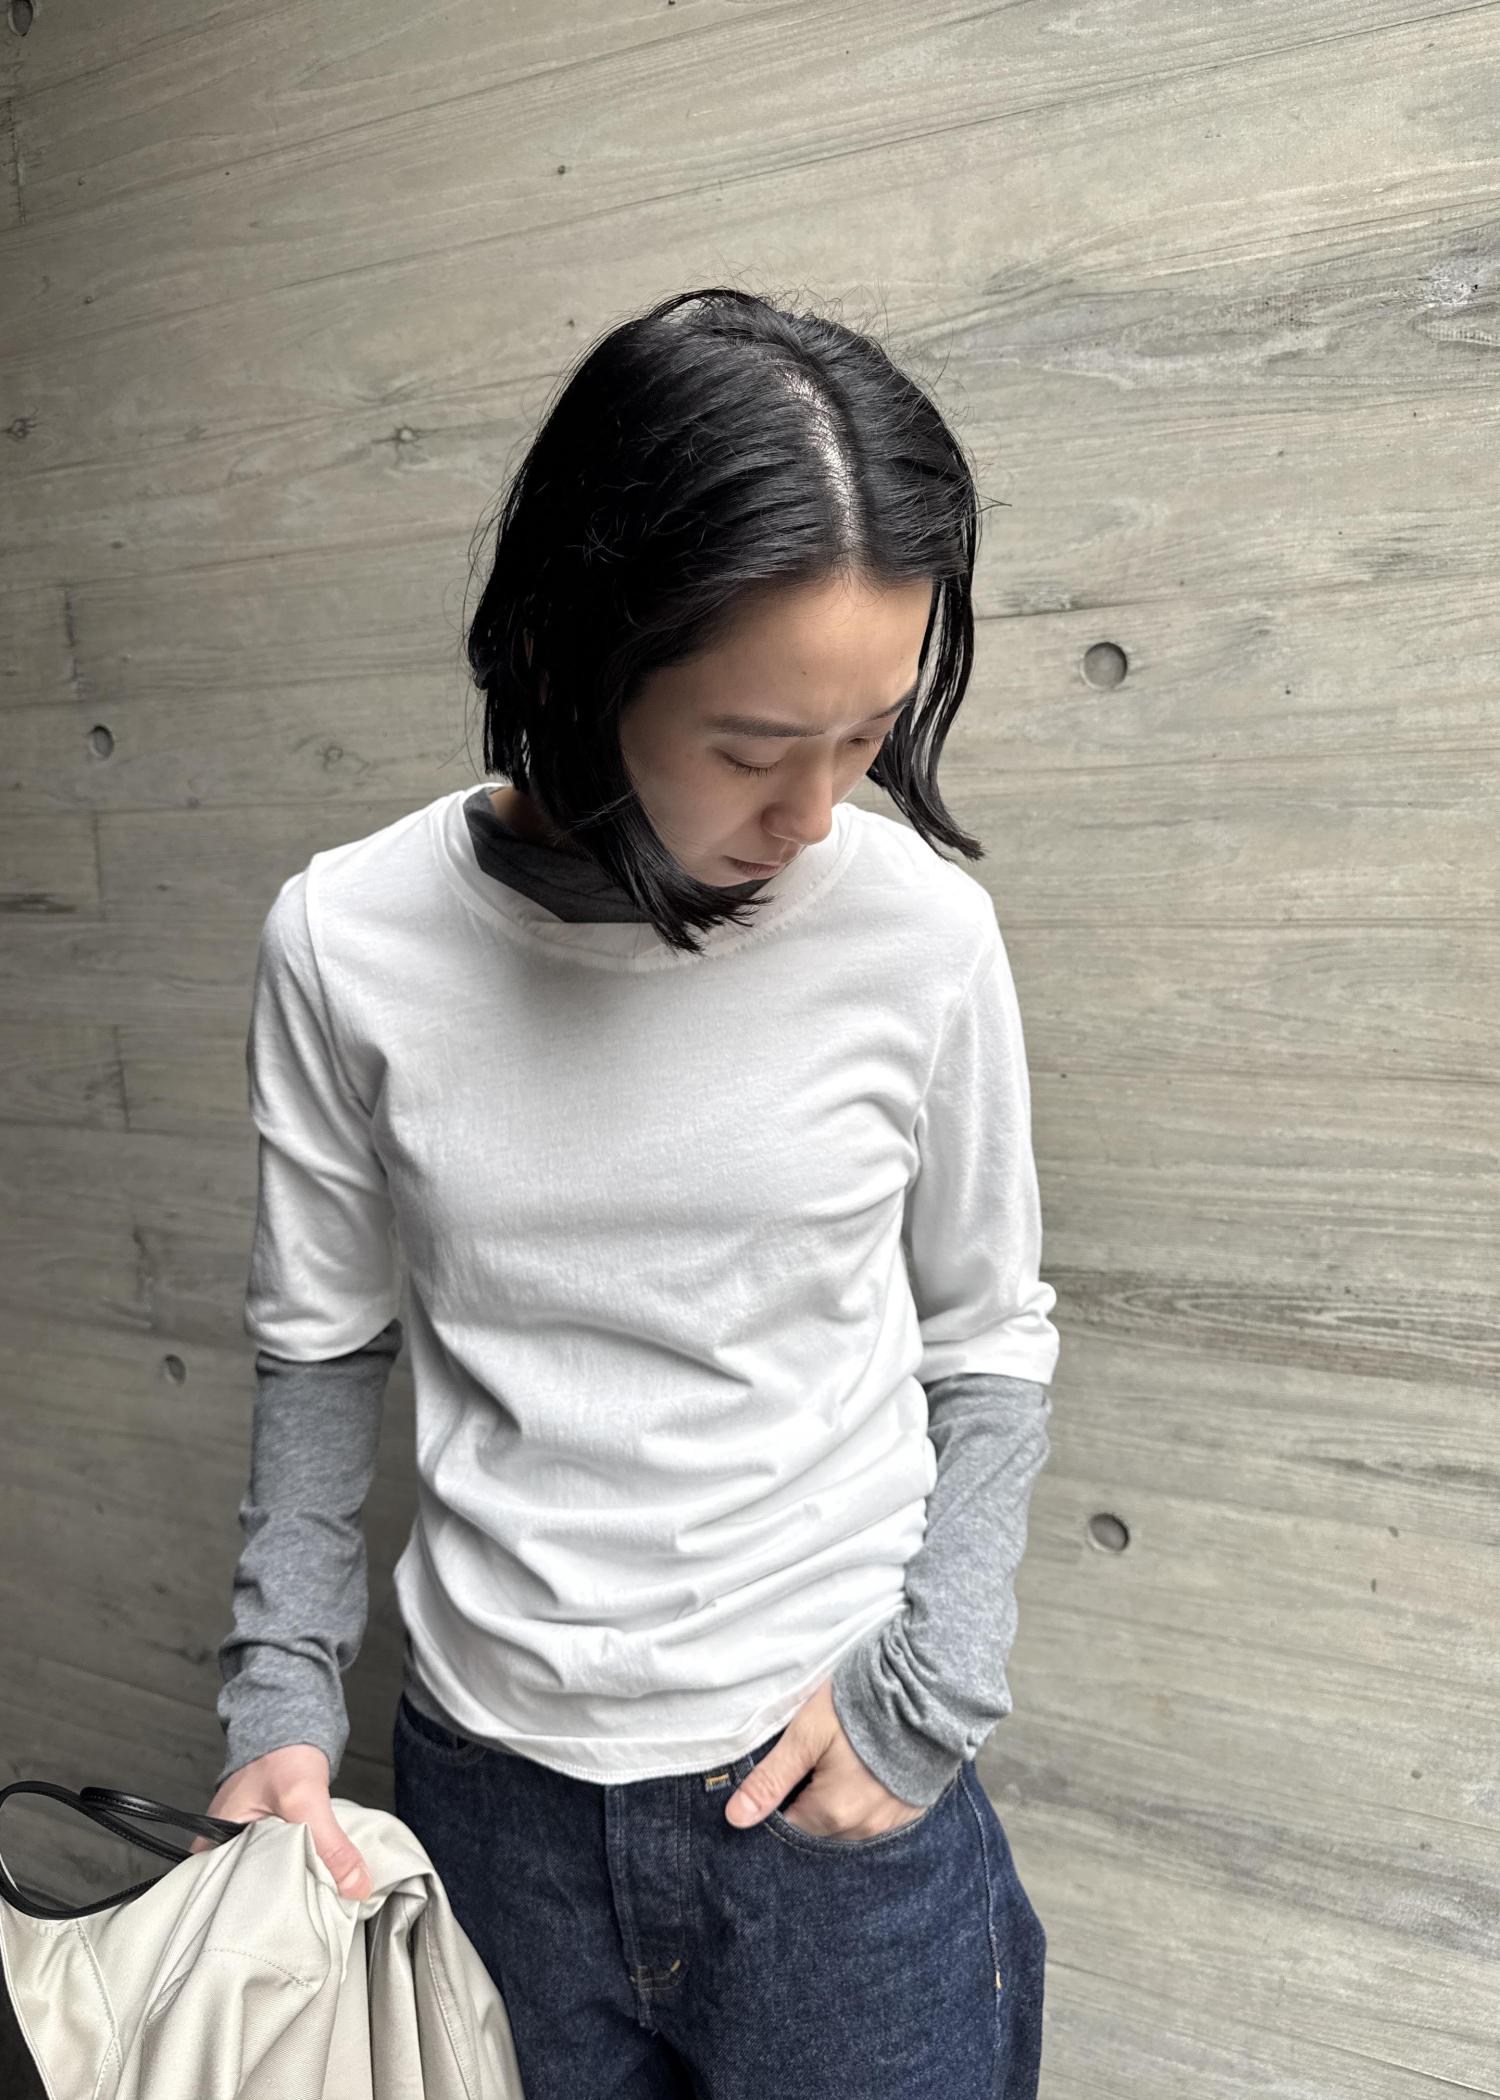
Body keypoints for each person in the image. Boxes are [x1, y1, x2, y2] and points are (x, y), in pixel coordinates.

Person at [195, 285, 1061, 2099]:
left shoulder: (919, 934)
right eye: (751, 748)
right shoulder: (347, 941)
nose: (817, 813)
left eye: (868, 734)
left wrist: (929, 1699)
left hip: (827, 1801)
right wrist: (281, 1696)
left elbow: (990, 1338)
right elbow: (320, 1341)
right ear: (577, 659)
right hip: (487, 1800)